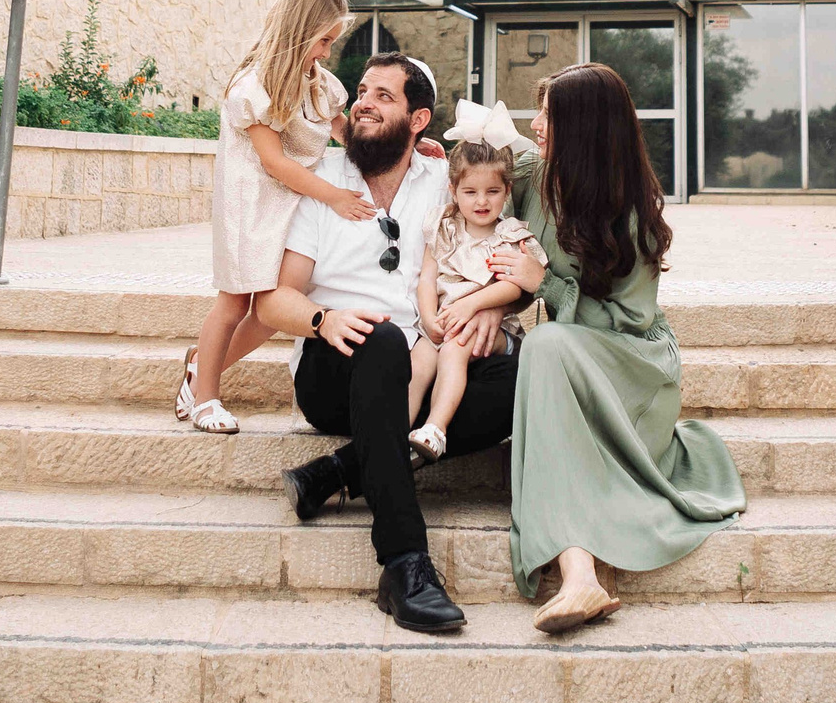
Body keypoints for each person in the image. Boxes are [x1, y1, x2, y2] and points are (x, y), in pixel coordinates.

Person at [256, 53, 513, 634]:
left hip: (420, 363)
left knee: (517, 378)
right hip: (335, 369)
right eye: (363, 92)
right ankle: (404, 563)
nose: (364, 103)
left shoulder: (445, 183)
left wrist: (495, 308)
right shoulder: (321, 183)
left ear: (418, 119)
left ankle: (334, 473)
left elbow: (493, 258)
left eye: (383, 96)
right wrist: (323, 319)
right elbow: (273, 302)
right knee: (385, 342)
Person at [487, 61, 744, 633]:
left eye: (549, 117)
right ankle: (580, 577)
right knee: (546, 348)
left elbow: (628, 321)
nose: (536, 127)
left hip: (633, 367)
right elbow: (474, 194)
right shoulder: (532, 177)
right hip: (567, 359)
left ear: (582, 128)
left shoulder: (632, 214)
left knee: (547, 346)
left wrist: (544, 284)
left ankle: (579, 575)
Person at [179, 0, 363, 436]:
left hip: (290, 203)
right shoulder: (254, 85)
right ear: (300, 32)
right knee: (236, 302)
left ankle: (200, 366)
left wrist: (405, 146)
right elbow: (274, 162)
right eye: (323, 40)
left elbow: (348, 134)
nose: (327, 51)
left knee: (273, 308)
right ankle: (206, 398)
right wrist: (335, 197)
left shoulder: (320, 84)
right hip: (251, 204)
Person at [406, 106, 539, 462]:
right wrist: (429, 317)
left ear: (507, 190)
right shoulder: (444, 226)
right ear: (453, 190)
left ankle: (436, 428)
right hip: (442, 322)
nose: (482, 201)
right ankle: (394, 432)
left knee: (454, 349)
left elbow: (516, 286)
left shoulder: (508, 234)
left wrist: (471, 304)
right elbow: (427, 276)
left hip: (490, 330)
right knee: (419, 362)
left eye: (492, 191)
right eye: (470, 192)